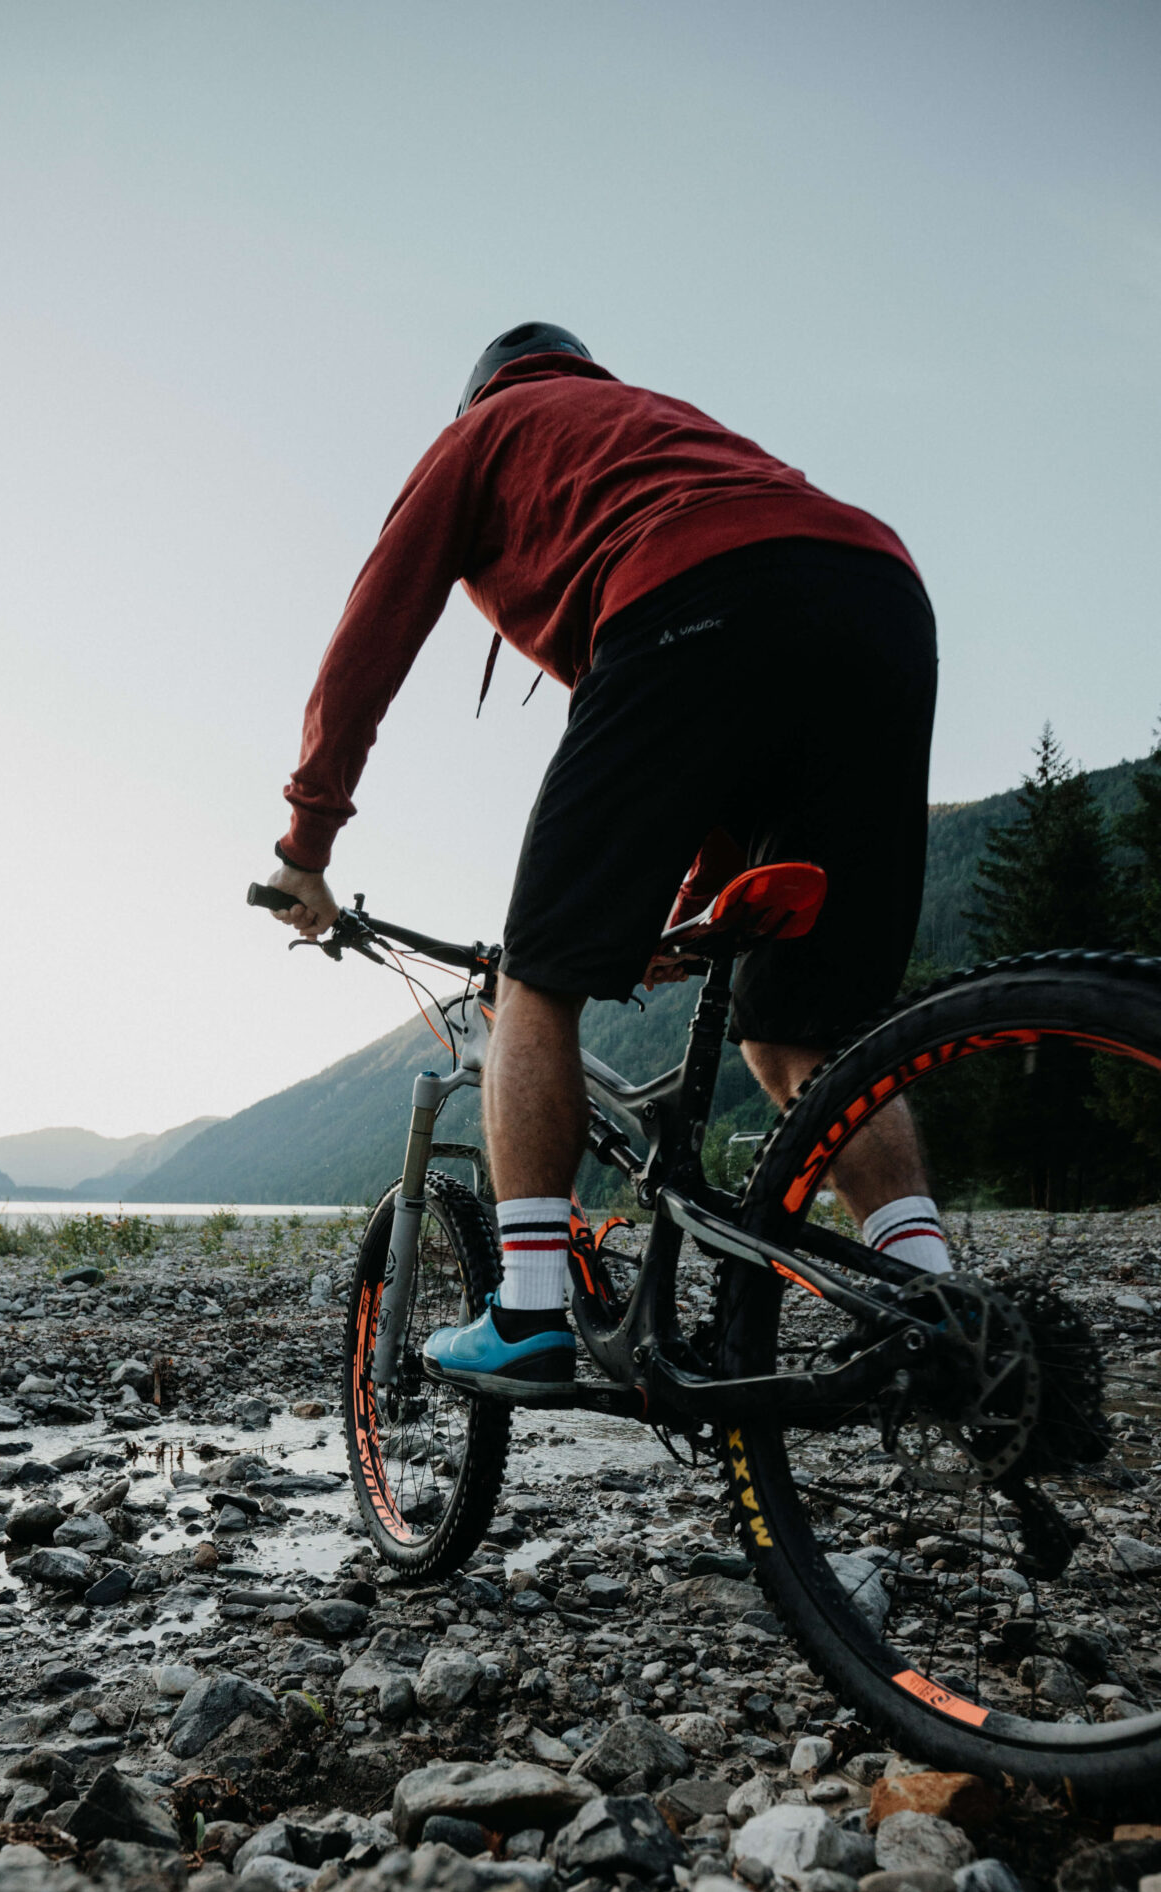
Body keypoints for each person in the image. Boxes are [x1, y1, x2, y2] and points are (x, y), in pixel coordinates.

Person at [265, 323, 943, 1388]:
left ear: (475, 392)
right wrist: (677, 907)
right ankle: (929, 1299)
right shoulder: (652, 431)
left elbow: (373, 631)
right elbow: (724, 734)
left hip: (696, 598)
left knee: (532, 983)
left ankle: (531, 1307)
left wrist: (307, 844)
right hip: (878, 596)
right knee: (802, 1035)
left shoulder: (487, 430)